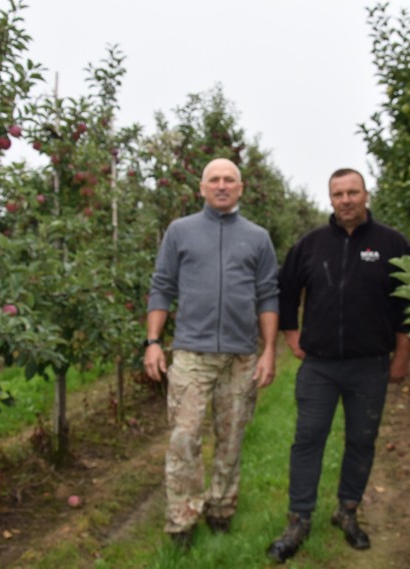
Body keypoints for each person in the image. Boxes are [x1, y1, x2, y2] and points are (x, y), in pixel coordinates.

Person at [266, 167, 410, 563]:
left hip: (369, 365)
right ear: (330, 199)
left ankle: (347, 510)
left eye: (353, 192)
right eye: (338, 194)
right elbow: (285, 288)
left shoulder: (392, 244)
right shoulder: (312, 244)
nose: (346, 200)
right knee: (308, 438)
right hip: (320, 366)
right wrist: (291, 333)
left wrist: (402, 354)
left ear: (366, 195)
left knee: (362, 440)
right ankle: (298, 518)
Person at [144, 157, 279, 550]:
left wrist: (268, 350)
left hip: (240, 356)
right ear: (201, 189)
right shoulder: (180, 231)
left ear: (240, 188)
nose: (222, 186)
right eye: (214, 180)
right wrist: (153, 342)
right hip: (191, 353)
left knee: (231, 437)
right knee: (184, 438)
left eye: (229, 180)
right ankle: (183, 518)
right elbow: (162, 286)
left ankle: (221, 508)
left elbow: (268, 294)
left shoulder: (257, 237)